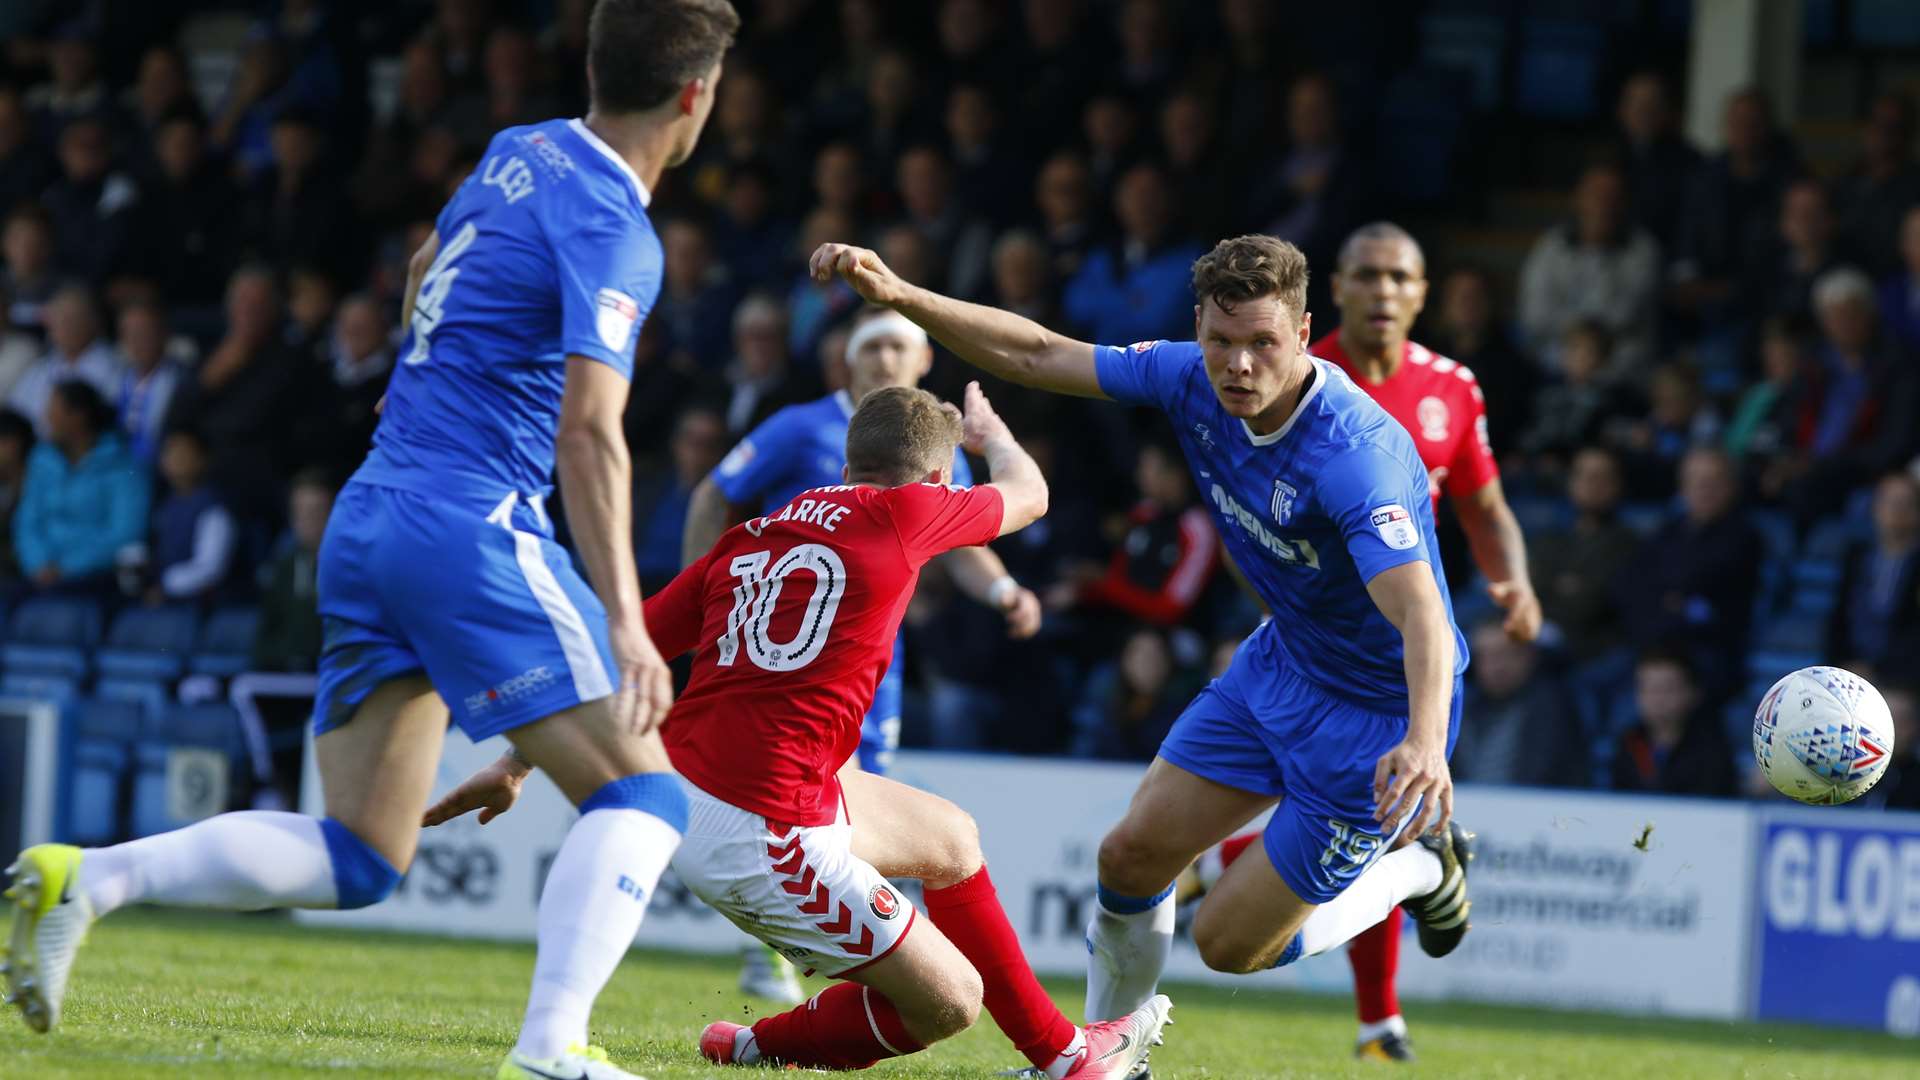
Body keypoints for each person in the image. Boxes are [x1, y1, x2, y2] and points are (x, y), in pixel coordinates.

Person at [4, 9, 742, 1080]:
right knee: (645, 795)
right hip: (468, 518)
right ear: (695, 97)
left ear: (594, 65)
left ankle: (93, 879)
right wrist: (628, 622)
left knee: (360, 856)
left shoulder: (517, 149)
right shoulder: (618, 225)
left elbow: (419, 272)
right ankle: (551, 1051)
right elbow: (590, 432)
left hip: (373, 508)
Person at [809, 233, 1476, 1040]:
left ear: (1302, 336)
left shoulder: (1354, 458)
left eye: (1262, 343)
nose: (1236, 366)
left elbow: (1423, 616)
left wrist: (1426, 744)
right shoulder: (1186, 374)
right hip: (1284, 662)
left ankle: (1418, 869)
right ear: (1198, 328)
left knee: (1228, 946)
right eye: (1220, 342)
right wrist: (904, 295)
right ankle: (1106, 1057)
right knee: (1126, 858)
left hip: (1377, 717)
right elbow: (1039, 352)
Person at [429, 384, 1172, 1079]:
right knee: (951, 1001)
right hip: (762, 828)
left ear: (847, 465)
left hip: (701, 787)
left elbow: (623, 655)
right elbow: (1030, 495)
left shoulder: (750, 534)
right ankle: (1048, 1058)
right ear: (937, 480)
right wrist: (993, 434)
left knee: (950, 839)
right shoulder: (909, 511)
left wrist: (515, 763)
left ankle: (1063, 1057)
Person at [1189, 222, 1536, 1063]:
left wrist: (1513, 580)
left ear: (1423, 293)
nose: (1383, 292)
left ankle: (1378, 1016)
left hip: (1400, 644)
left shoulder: (1452, 387)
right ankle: (1377, 1002)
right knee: (1347, 829)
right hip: (1301, 633)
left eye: (1400, 278)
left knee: (1362, 822)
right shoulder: (1279, 363)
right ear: (1333, 293)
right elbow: (1241, 498)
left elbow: (1483, 506)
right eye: (1368, 276)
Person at [684, 305, 1043, 777]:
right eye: (872, 346)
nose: (885, 359)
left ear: (924, 359)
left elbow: (961, 546)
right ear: (848, 359)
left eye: (898, 346)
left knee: (861, 796)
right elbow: (712, 495)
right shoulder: (799, 427)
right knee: (824, 799)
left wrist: (1004, 590)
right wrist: (701, 603)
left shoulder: (939, 448)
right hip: (798, 649)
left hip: (877, 650)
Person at [12, 380, 149, 596]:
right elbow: (27, 522)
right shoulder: (41, 460)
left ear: (78, 417)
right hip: (41, 575)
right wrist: (39, 564)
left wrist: (68, 568)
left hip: (96, 578)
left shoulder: (122, 465)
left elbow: (125, 533)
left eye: (53, 412)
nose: (47, 419)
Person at [1608, 649, 1737, 797]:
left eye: (1667, 689)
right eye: (1648, 689)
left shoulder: (1713, 749)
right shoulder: (1628, 741)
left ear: (1693, 693)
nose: (1657, 699)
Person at [136, 427, 238, 606]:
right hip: (163, 601)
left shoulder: (213, 508)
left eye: (184, 452)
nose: (175, 458)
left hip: (198, 606)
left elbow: (210, 569)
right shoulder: (163, 505)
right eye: (169, 451)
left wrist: (165, 586)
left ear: (202, 459)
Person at [251, 468, 335, 673]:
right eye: (300, 513)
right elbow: (265, 637)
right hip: (287, 677)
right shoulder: (284, 568)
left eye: (317, 513)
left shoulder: (353, 570)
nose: (308, 522)